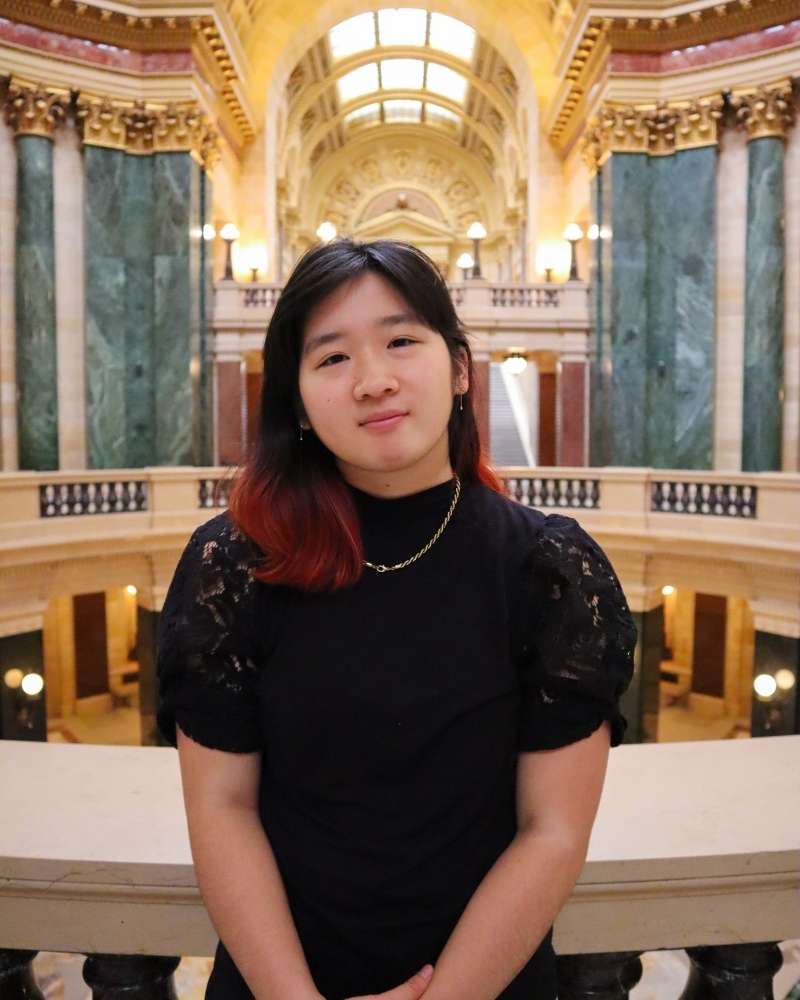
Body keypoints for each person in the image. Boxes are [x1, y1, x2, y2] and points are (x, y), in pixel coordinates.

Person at [155, 238, 638, 1000]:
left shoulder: (550, 570)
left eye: (402, 340)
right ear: (300, 403)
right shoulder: (233, 568)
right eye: (332, 358)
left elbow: (553, 831)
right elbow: (222, 807)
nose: (374, 381)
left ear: (458, 369)